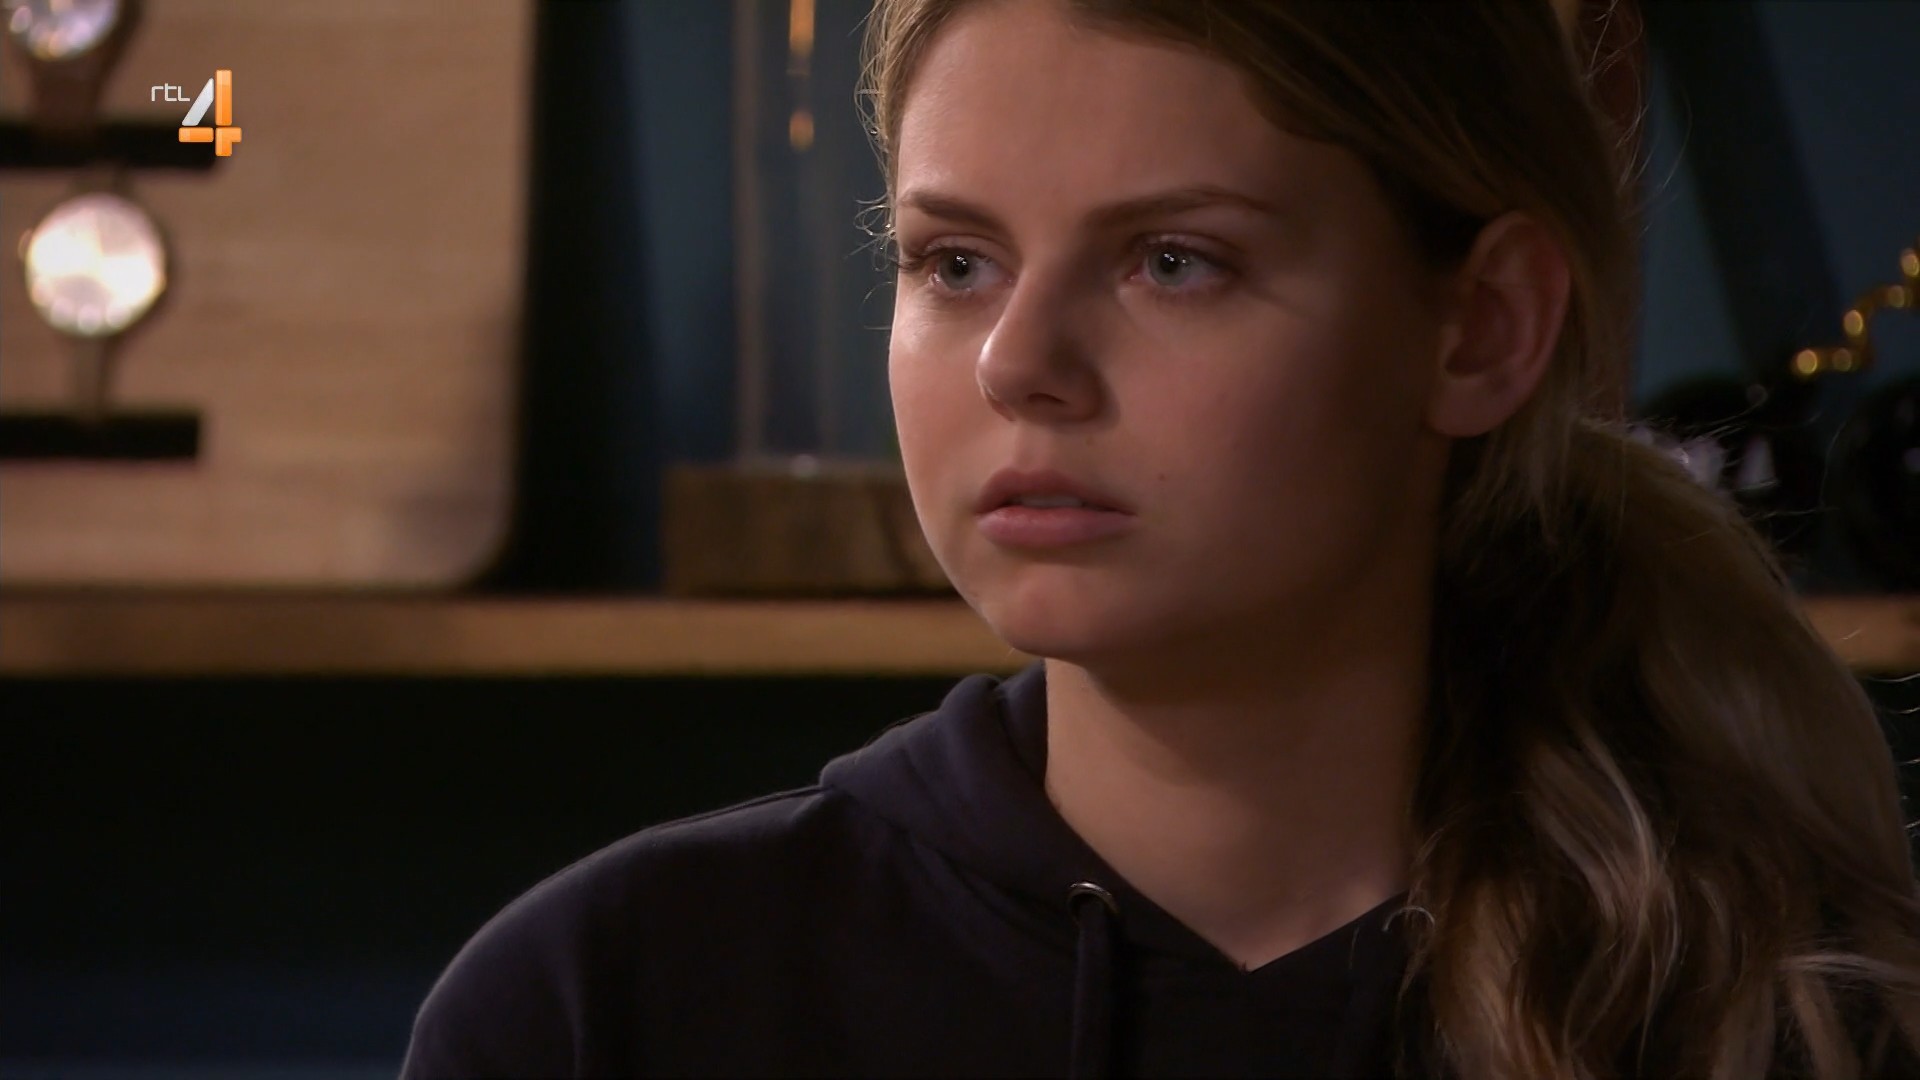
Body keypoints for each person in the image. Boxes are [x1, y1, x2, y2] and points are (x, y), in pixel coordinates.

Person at [399, 1, 1920, 1077]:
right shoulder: (612, 1006)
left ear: (1482, 327)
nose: (1018, 363)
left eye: (1173, 261)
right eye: (956, 262)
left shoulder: (1772, 1019)